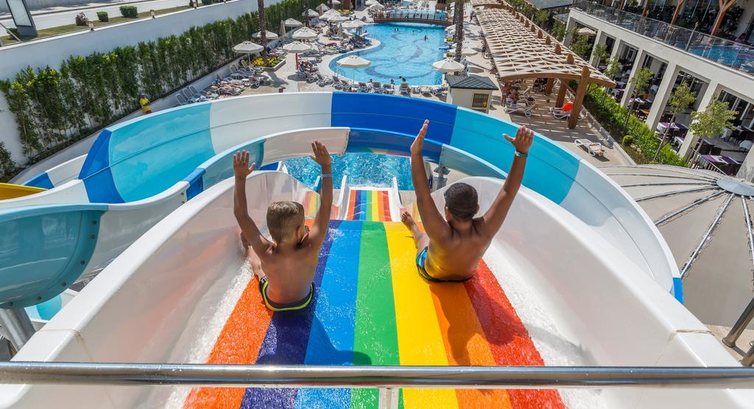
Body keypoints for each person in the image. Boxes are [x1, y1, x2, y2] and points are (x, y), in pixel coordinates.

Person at [401, 120, 534, 282]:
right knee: (431, 239)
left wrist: (415, 152)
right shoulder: (485, 231)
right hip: (465, 277)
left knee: (424, 238)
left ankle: (413, 228)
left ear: (447, 210)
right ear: (477, 208)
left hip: (432, 274)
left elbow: (423, 196)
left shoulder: (441, 234)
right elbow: (509, 192)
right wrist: (521, 152)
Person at [233, 141, 333, 311]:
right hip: (304, 301)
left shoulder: (266, 250)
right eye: (303, 225)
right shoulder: (311, 246)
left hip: (274, 304)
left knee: (259, 268)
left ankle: (249, 245)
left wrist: (240, 178)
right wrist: (326, 166)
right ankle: (251, 243)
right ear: (298, 231)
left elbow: (241, 215)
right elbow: (326, 205)